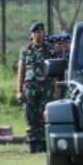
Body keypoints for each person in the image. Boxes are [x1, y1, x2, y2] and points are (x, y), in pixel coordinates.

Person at [17, 22, 57, 153]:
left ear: (43, 34)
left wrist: (56, 90)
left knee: (45, 116)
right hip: (30, 88)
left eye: (40, 32)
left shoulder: (51, 50)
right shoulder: (25, 50)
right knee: (31, 116)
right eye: (35, 33)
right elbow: (21, 71)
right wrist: (19, 90)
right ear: (31, 35)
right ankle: (32, 144)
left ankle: (44, 144)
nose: (38, 35)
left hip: (46, 88)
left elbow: (56, 72)